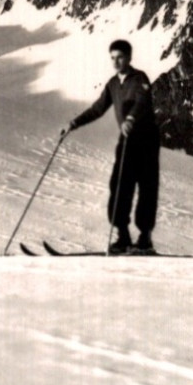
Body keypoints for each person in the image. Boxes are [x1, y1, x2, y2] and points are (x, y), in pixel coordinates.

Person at [61, 40, 160, 255]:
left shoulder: (139, 79)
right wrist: (74, 123)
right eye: (113, 57)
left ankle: (145, 239)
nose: (116, 62)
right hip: (127, 141)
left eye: (120, 57)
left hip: (146, 140)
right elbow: (98, 108)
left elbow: (142, 101)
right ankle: (122, 236)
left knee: (146, 187)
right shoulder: (113, 84)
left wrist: (131, 117)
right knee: (119, 185)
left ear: (129, 58)